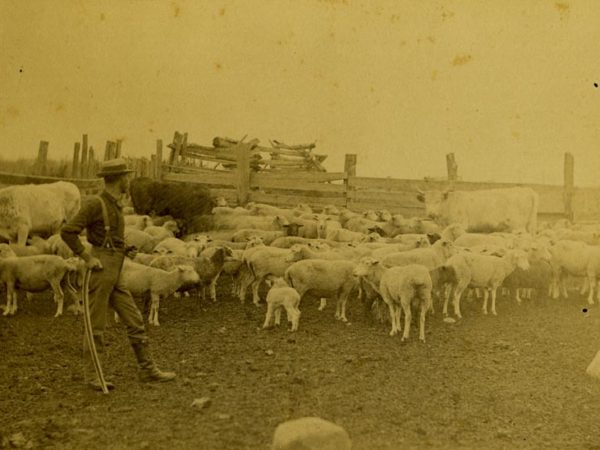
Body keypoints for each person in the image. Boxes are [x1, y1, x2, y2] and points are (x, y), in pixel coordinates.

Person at [61, 158, 176, 391]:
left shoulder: (115, 205)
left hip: (117, 269)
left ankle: (147, 369)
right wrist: (87, 258)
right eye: (126, 176)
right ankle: (93, 376)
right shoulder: (95, 203)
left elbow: (109, 238)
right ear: (118, 179)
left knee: (134, 320)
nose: (129, 180)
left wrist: (124, 248)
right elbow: (68, 232)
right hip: (101, 269)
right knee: (96, 325)